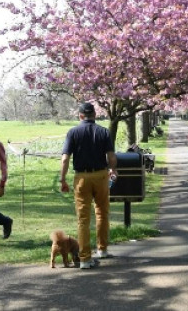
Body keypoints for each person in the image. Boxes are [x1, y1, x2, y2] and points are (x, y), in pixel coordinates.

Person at [60, 102, 118, 269]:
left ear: (80, 116)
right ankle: (102, 249)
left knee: (83, 219)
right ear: (95, 115)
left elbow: (65, 158)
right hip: (100, 175)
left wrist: (62, 179)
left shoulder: (73, 132)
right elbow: (111, 156)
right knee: (102, 213)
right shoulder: (104, 132)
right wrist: (113, 169)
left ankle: (84, 258)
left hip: (82, 177)